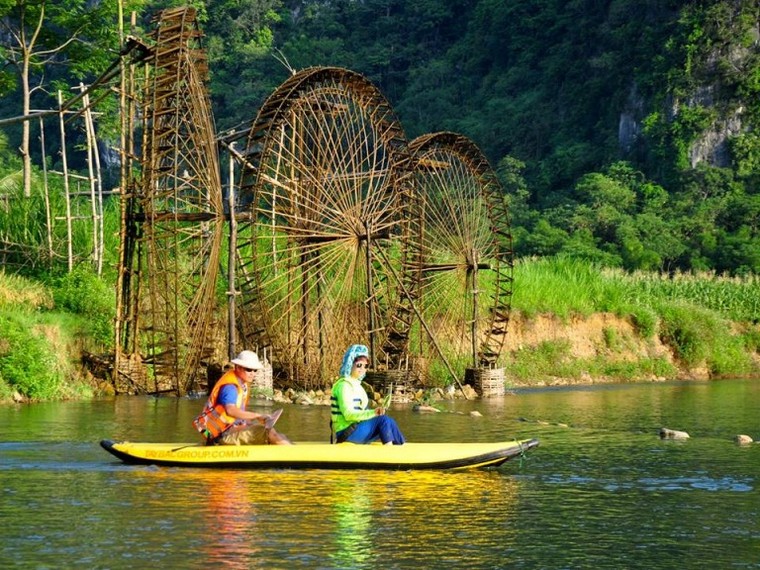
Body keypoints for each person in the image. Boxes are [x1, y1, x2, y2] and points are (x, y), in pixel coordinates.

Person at [194, 350, 291, 445]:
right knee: (268, 432)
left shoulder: (242, 385)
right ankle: (294, 456)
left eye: (255, 370)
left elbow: (237, 416)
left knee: (274, 432)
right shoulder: (230, 388)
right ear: (238, 368)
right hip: (223, 435)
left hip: (229, 431)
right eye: (248, 369)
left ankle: (289, 450)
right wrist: (257, 415)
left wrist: (254, 421)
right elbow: (230, 411)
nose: (252, 373)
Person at [330, 344, 405, 445]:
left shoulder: (358, 386)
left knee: (389, 421)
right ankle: (389, 452)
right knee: (383, 420)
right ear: (350, 364)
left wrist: (375, 412)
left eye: (366, 366)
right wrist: (373, 413)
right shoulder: (344, 386)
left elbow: (362, 412)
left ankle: (402, 446)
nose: (362, 369)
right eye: (359, 365)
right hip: (346, 433)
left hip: (356, 428)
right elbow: (348, 415)